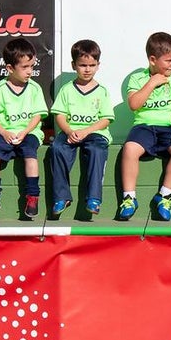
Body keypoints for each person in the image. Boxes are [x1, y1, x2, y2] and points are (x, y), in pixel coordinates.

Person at [119, 32, 171, 221]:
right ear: (153, 59)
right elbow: (134, 104)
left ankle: (165, 196)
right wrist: (152, 83)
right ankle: (129, 198)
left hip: (169, 127)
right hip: (144, 126)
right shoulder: (137, 79)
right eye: (169, 60)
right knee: (129, 149)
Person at [0, 38, 47, 222]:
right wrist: (4, 132)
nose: (30, 71)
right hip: (4, 133)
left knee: (30, 156)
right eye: (25, 67)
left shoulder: (34, 88)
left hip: (29, 133)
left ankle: (33, 197)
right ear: (10, 68)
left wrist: (25, 132)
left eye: (32, 66)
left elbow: (37, 116)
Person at [49, 39, 114, 220]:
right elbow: (59, 115)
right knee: (57, 148)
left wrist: (86, 131)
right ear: (74, 65)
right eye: (82, 65)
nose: (87, 69)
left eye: (92, 65)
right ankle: (61, 198)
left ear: (98, 65)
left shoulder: (102, 91)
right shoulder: (66, 89)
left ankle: (93, 198)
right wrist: (69, 131)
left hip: (94, 133)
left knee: (96, 150)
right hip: (71, 132)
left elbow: (106, 119)